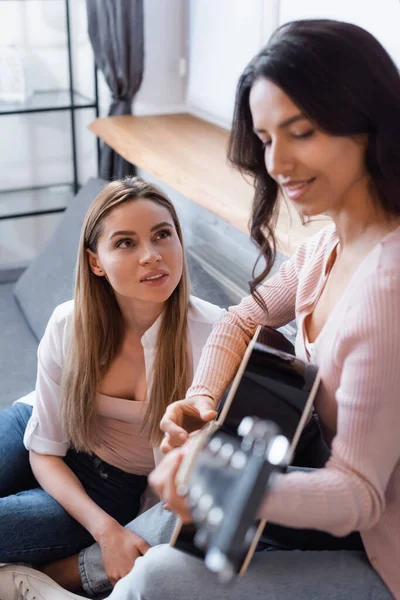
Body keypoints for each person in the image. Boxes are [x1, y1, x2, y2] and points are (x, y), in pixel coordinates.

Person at [113, 18, 400, 600]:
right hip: (329, 499)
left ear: (369, 122)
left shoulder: (387, 292)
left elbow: (358, 497)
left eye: (301, 132)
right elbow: (243, 318)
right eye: (267, 139)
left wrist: (222, 477)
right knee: (169, 519)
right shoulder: (326, 246)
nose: (277, 163)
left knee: (156, 580)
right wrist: (200, 402)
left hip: (381, 549)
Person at [0, 177, 225, 598]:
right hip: (34, 431)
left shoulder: (215, 336)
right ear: (95, 262)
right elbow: (45, 449)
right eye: (126, 243)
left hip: (112, 487)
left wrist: (107, 528)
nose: (152, 256)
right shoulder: (68, 325)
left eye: (163, 235)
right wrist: (107, 536)